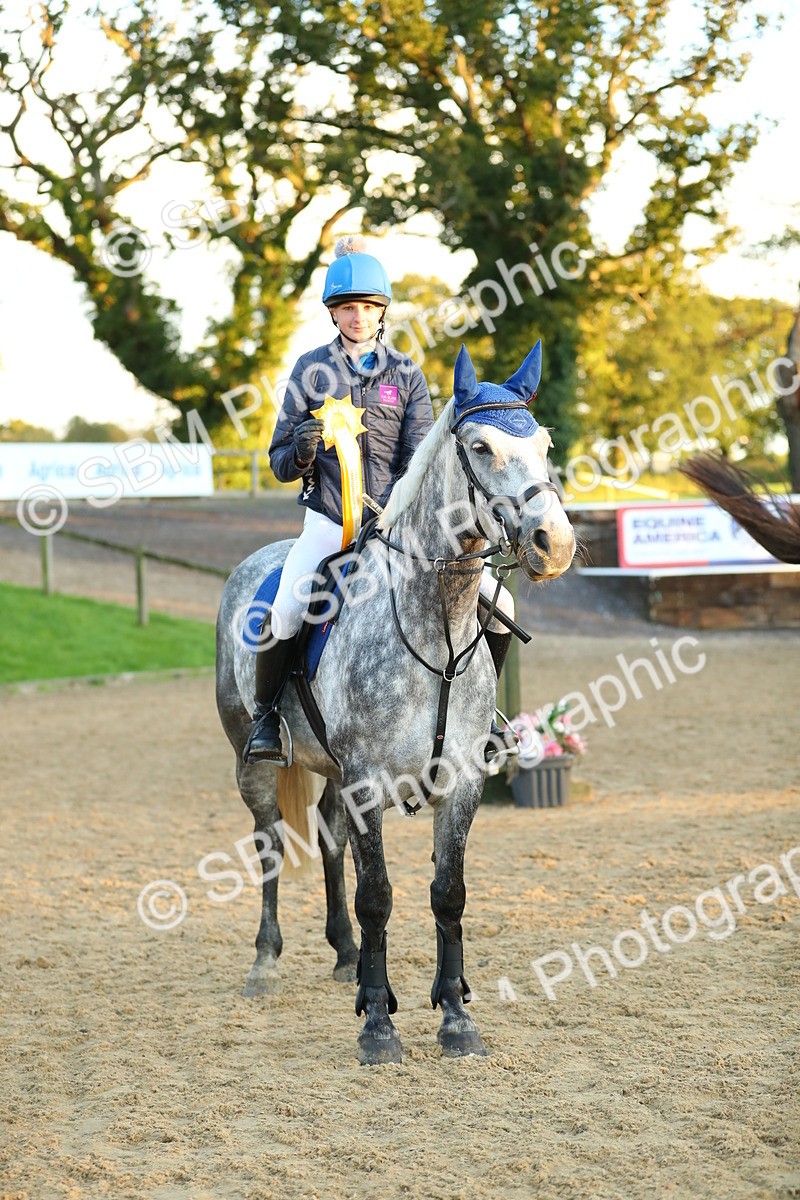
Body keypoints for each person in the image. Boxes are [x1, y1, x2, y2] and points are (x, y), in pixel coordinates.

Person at [244, 235, 517, 765]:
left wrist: (403, 514)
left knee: (500, 603)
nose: (358, 317)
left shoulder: (406, 375)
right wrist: (300, 451)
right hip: (329, 521)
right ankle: (267, 718)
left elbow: (420, 457)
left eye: (367, 308)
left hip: (397, 527)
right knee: (285, 609)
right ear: (333, 313)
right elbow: (279, 463)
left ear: (381, 312)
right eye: (347, 308)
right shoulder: (308, 372)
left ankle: (483, 714)